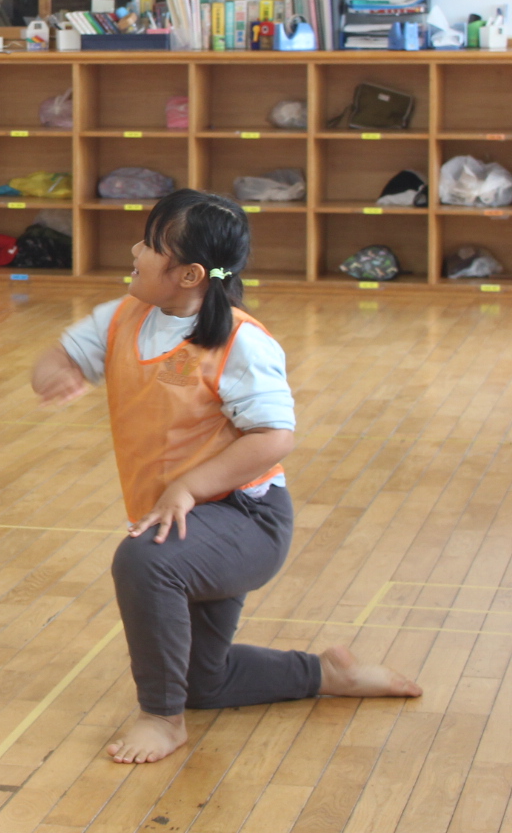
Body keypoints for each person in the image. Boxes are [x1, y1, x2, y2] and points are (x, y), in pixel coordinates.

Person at [29, 190, 421, 764]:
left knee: (144, 561)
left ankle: (162, 720)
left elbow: (274, 437)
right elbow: (62, 354)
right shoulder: (121, 317)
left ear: (188, 274)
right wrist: (53, 372)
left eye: (150, 244)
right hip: (190, 521)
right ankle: (326, 674)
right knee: (204, 683)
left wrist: (187, 487)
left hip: (246, 520)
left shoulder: (241, 341)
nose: (135, 250)